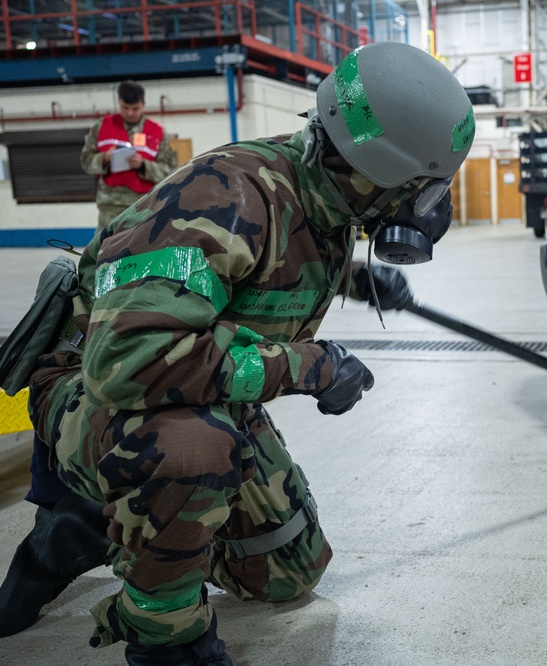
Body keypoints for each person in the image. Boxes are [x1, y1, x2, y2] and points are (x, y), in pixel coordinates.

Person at [0, 41, 474, 665]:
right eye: (424, 191)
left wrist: (359, 279)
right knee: (194, 449)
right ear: (380, 171)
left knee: (285, 572)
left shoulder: (324, 184)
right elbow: (129, 362)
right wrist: (312, 367)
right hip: (97, 391)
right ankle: (161, 635)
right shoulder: (226, 196)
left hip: (186, 382)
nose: (425, 208)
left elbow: (268, 264)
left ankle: (118, 518)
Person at [80, 80, 179, 232]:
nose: (130, 113)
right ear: (119, 102)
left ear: (143, 104)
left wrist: (143, 165)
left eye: (135, 108)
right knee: (107, 251)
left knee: (142, 252)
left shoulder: (157, 132)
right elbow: (86, 162)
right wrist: (106, 157)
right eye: (125, 108)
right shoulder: (101, 127)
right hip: (110, 207)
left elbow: (170, 170)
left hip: (145, 206)